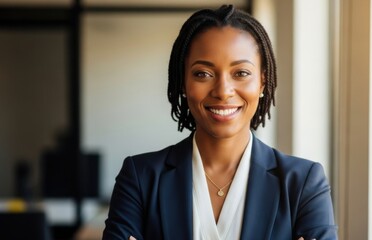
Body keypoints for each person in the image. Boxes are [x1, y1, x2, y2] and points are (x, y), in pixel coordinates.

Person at [103, 5, 337, 240]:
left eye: (241, 73)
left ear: (263, 82)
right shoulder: (140, 177)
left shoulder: (303, 182)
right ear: (183, 83)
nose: (223, 91)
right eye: (203, 73)